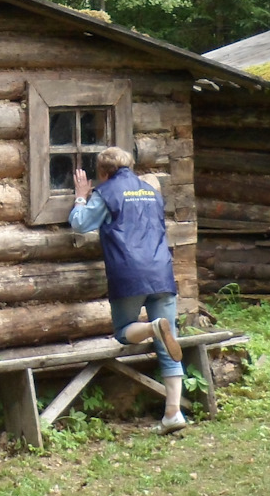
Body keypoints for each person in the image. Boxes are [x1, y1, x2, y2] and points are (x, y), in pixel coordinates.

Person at [69, 146, 188, 432]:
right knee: (168, 348)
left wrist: (80, 198)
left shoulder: (107, 193)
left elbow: (80, 223)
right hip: (161, 271)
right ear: (130, 165)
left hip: (129, 273)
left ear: (102, 171)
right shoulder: (151, 192)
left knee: (124, 331)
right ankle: (173, 414)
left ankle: (152, 327)